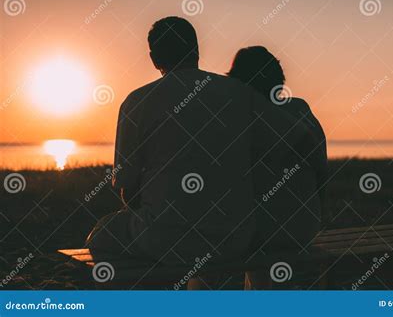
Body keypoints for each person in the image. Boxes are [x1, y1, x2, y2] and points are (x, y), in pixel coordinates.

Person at [85, 17, 319, 285]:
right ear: (196, 50)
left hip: (164, 240)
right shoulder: (238, 93)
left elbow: (126, 187)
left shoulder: (136, 102)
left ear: (153, 58)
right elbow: (299, 139)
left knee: (101, 234)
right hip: (234, 239)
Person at [227, 46, 328, 288]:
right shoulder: (300, 109)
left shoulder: (241, 119)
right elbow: (321, 172)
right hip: (305, 227)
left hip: (260, 233)